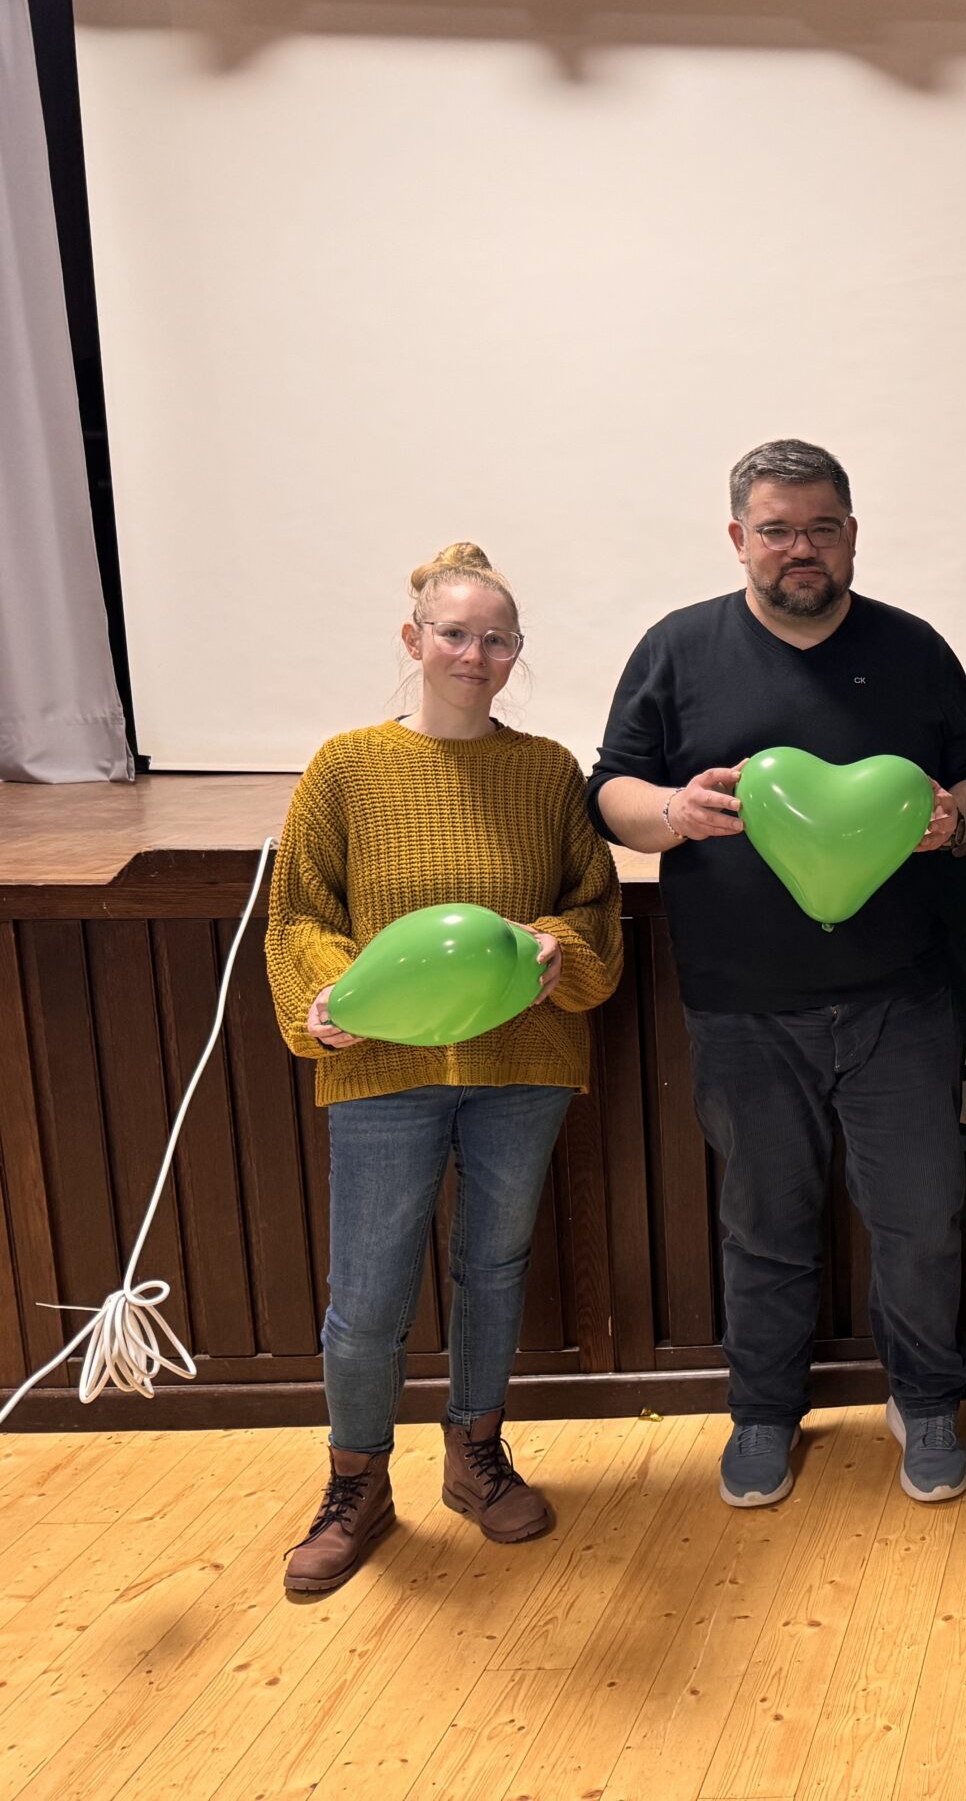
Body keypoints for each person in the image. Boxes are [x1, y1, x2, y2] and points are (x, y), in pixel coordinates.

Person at [590, 439, 966, 1510]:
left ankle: (926, 1400)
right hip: (740, 1003)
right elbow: (612, 788)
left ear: (853, 532)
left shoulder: (913, 648)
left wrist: (959, 820)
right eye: (776, 529)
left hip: (901, 996)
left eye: (822, 526)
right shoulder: (677, 650)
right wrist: (671, 814)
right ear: (739, 540)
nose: (801, 548)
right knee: (764, 1226)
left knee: (918, 1220)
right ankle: (764, 1413)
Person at [266, 543, 623, 1596]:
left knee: (494, 1269)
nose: (476, 654)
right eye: (456, 634)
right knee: (368, 1292)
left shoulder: (549, 770)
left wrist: (562, 945)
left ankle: (475, 1454)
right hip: (385, 1067)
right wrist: (328, 998)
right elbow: (302, 913)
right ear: (414, 639)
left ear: (517, 654)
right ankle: (355, 1481)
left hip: (525, 1062)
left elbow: (592, 905)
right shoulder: (345, 767)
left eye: (497, 638)